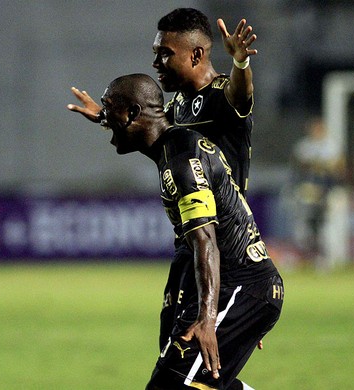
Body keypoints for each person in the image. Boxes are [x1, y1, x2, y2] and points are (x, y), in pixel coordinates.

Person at [96, 73, 283, 390]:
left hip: (238, 285)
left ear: (131, 114)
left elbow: (205, 239)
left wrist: (211, 318)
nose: (102, 117)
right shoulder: (173, 147)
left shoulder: (181, 160)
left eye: (107, 108)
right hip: (234, 289)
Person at [68, 7, 256, 195]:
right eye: (155, 53)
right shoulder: (179, 103)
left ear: (196, 55)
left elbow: (241, 94)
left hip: (227, 221)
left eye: (165, 53)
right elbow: (143, 124)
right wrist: (104, 114)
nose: (156, 63)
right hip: (192, 211)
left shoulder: (220, 95)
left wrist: (240, 63)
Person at [290, 116, 345, 263]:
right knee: (305, 224)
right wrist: (322, 165)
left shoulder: (331, 146)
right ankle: (306, 257)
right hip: (308, 190)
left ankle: (329, 257)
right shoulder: (304, 146)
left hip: (329, 190)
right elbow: (300, 166)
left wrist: (318, 166)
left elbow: (337, 167)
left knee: (328, 225)